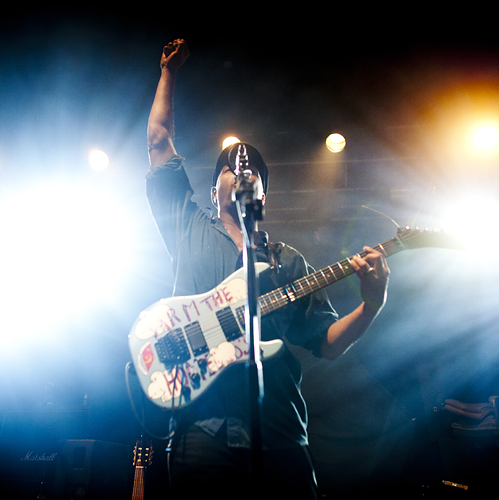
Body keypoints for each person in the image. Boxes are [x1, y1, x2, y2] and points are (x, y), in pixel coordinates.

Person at [145, 39, 390, 500]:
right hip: (204, 431)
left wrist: (372, 303)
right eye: (232, 169)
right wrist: (168, 74)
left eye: (256, 170)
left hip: (279, 430)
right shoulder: (188, 227)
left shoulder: (289, 260)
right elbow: (159, 141)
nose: (245, 172)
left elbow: (327, 342)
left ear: (264, 195)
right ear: (215, 189)